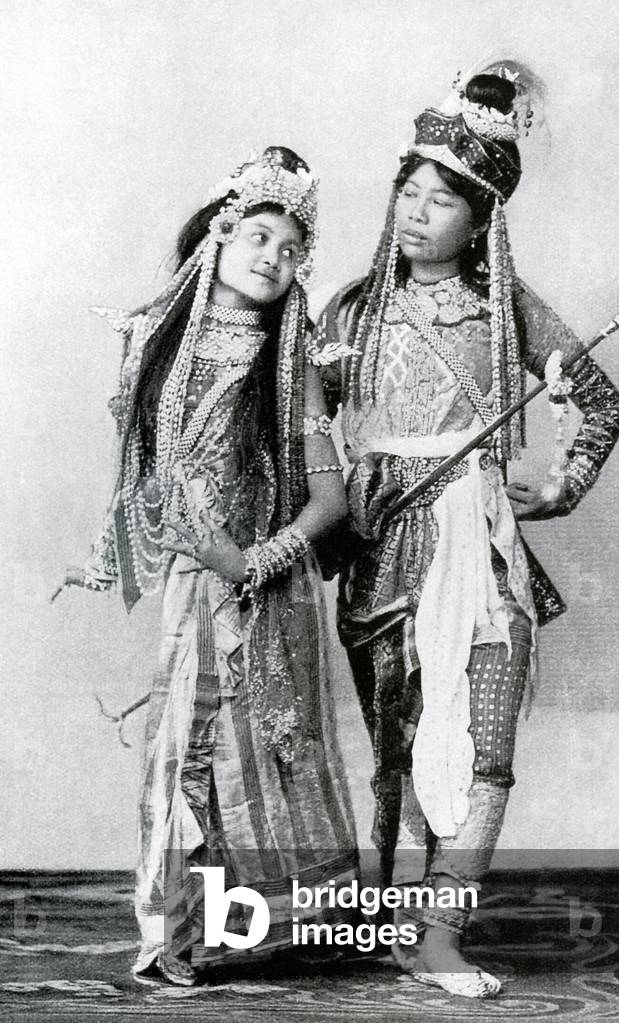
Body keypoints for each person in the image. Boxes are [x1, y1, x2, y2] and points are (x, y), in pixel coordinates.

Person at [313, 66, 619, 998]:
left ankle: (441, 933)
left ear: (480, 213)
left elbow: (601, 403)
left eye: (440, 198)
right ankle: (394, 918)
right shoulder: (349, 312)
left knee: (487, 745)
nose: (416, 212)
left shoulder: (510, 312)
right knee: (406, 750)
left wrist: (559, 483)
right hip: (381, 555)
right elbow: (294, 432)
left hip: (483, 554)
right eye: (407, 191)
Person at [58, 146, 358, 985]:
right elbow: (151, 475)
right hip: (196, 581)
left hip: (265, 580)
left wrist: (256, 558)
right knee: (185, 746)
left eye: (293, 249)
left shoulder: (289, 362)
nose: (274, 257)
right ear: (216, 236)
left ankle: (236, 932)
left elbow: (329, 500)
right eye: (259, 235)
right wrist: (176, 545)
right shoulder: (157, 346)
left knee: (253, 744)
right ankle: (180, 934)